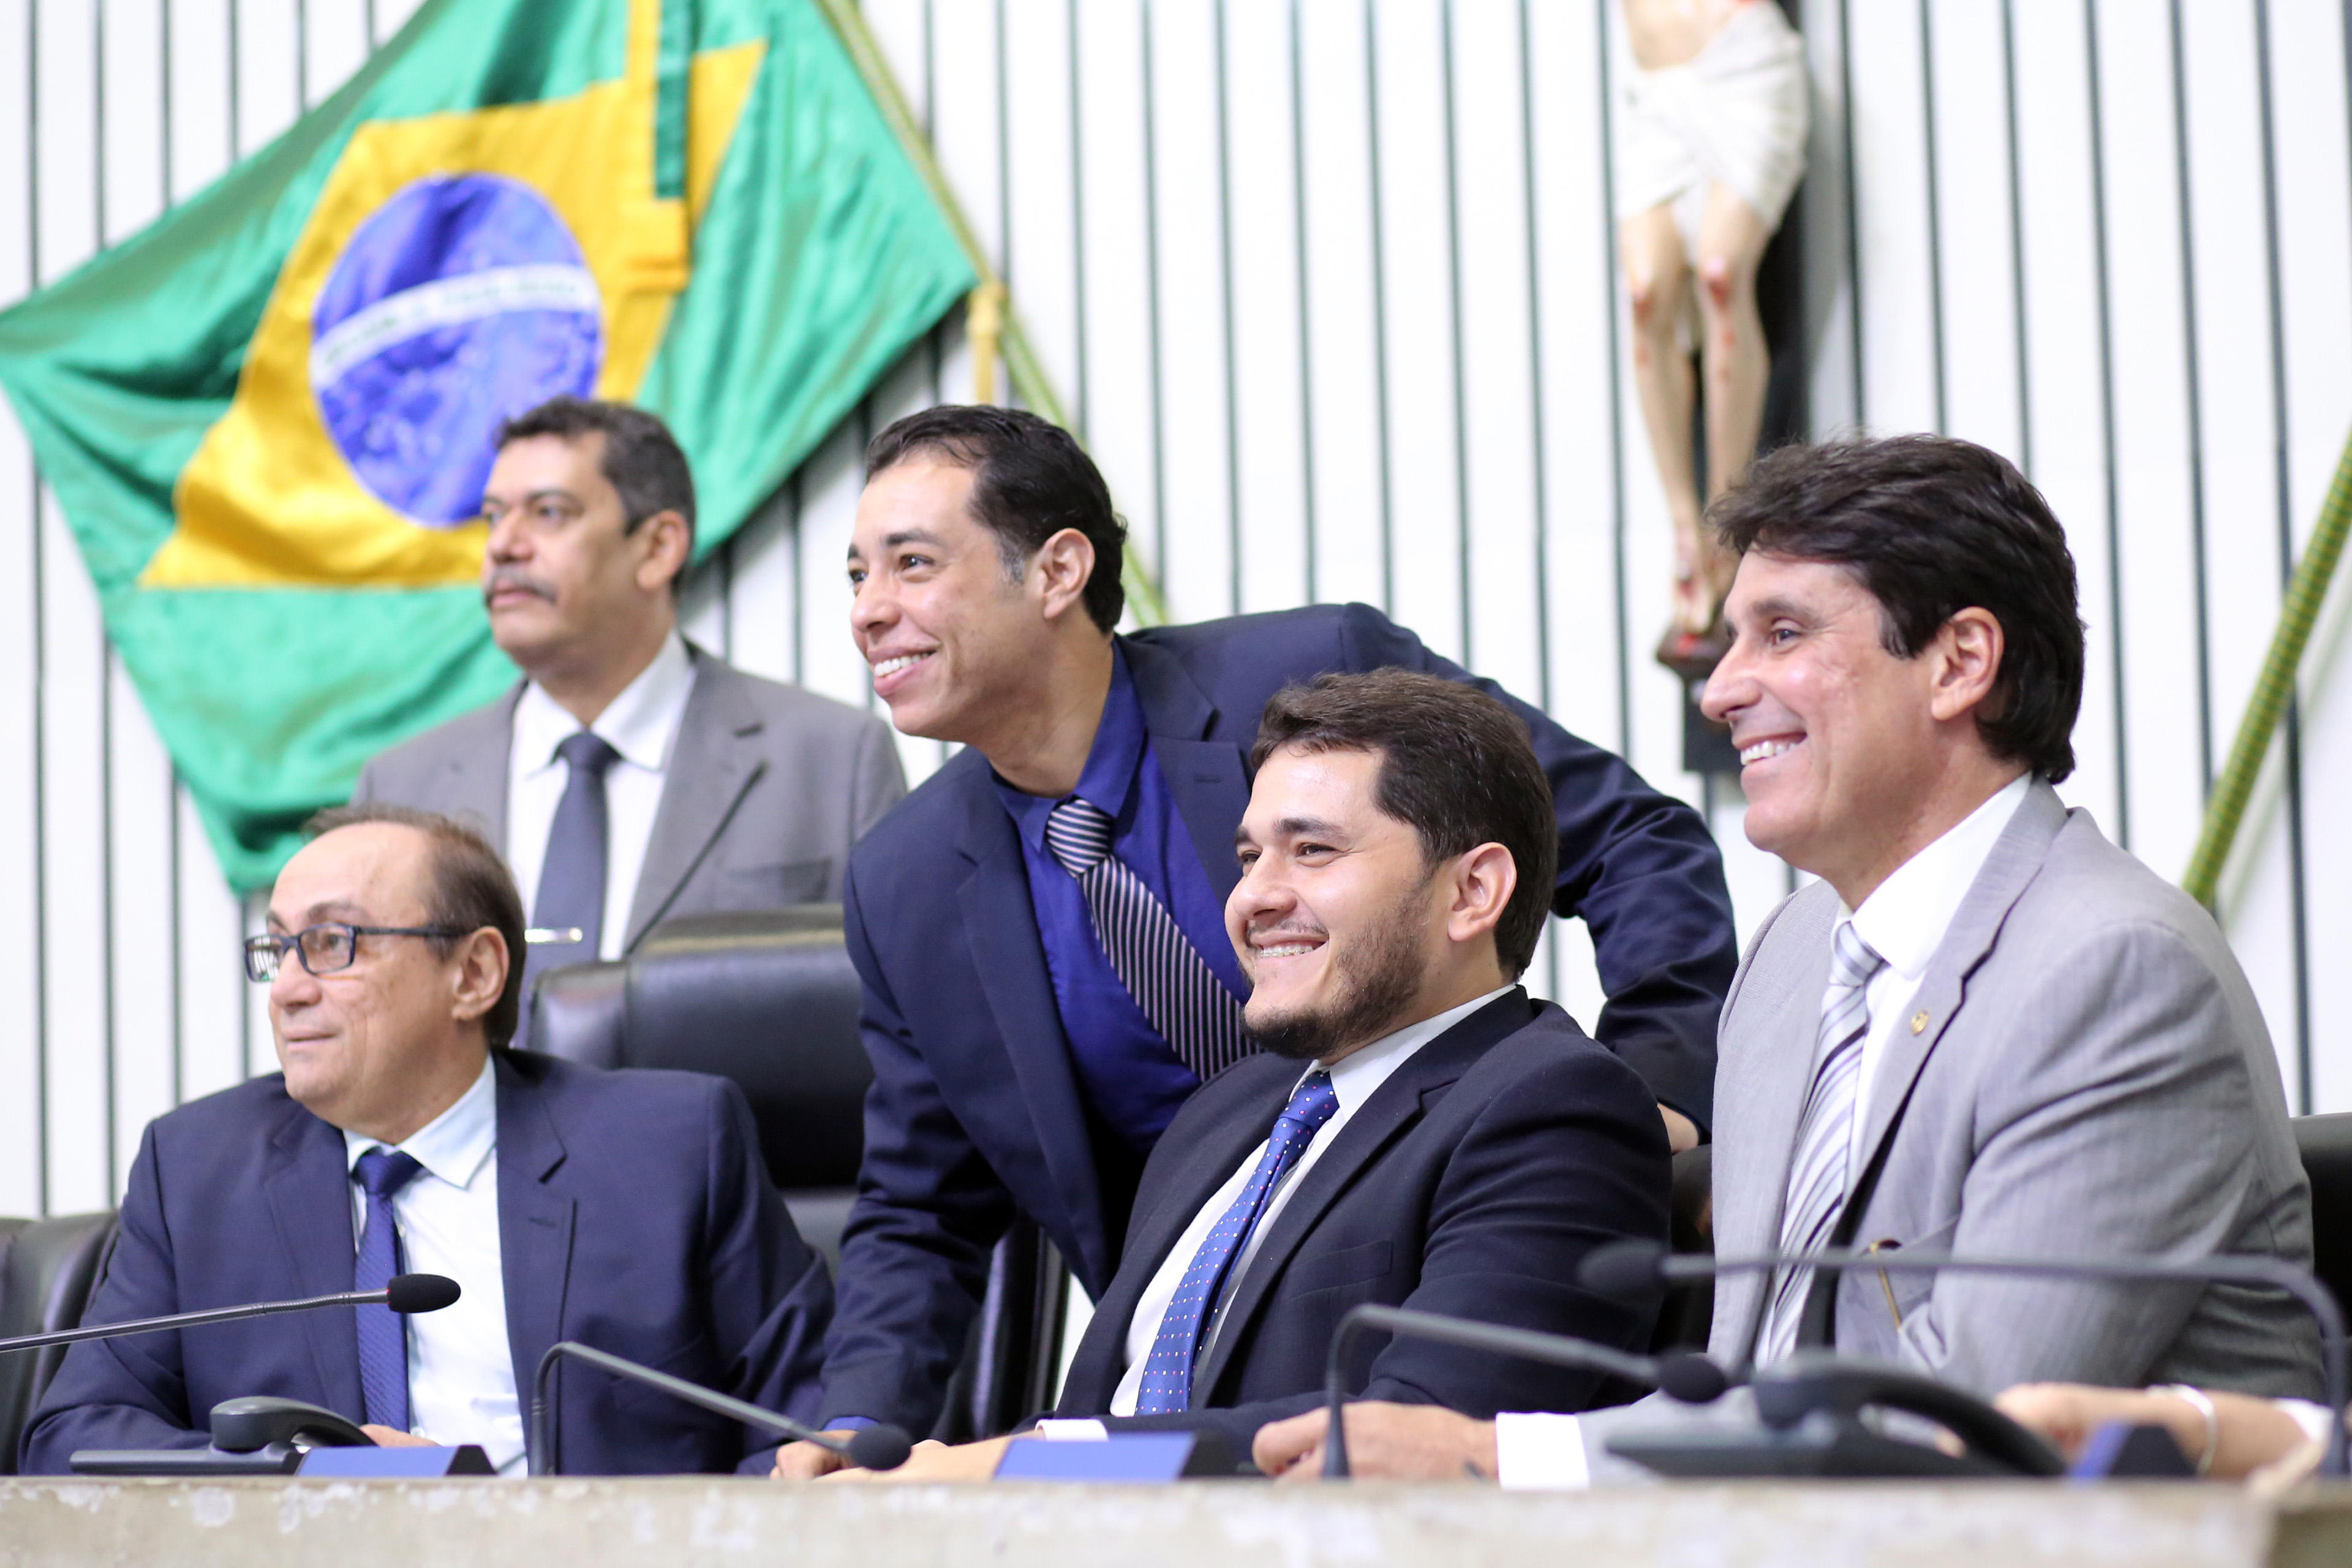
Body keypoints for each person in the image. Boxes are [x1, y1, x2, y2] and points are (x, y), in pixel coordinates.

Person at [1252, 434, 2321, 1483]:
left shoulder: (2114, 972)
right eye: (1731, 641)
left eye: (1782, 633)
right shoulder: (1792, 958)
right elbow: (1740, 1385)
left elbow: (1961, 1426)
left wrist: (1501, 1456)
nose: (1718, 692)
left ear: (1960, 662)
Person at [784, 405, 1736, 1464]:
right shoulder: (904, 878)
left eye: (912, 564)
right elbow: (920, 1209)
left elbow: (1633, 841)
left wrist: (1655, 1095)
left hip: (1426, 1281)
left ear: (1057, 571)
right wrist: (855, 1428)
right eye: (856, 576)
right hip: (1180, 1368)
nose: (869, 611)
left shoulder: (1310, 686)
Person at [795, 671, 1670, 1479]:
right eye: (1250, 858)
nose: (1252, 898)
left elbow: (1406, 1444)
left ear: (1473, 892)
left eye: (1312, 850)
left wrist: (1004, 1470)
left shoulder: (1554, 1109)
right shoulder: (1224, 1114)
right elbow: (1098, 1416)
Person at [19, 805, 831, 1476]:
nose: (289, 989)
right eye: (277, 948)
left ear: (473, 974)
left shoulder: (669, 1150)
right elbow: (73, 1440)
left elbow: (809, 1431)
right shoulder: (197, 1170)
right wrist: (312, 1471)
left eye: (332, 944)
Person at [355, 398, 904, 1020]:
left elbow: (896, 1021)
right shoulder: (401, 788)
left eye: (549, 512)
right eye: (494, 517)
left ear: (657, 548)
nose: (503, 545)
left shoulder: (833, 760)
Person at [1616, 0, 1809, 674]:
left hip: (1742, 64)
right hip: (1658, 83)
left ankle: (1725, 525)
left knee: (1722, 276)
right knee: (1645, 294)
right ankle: (1684, 531)